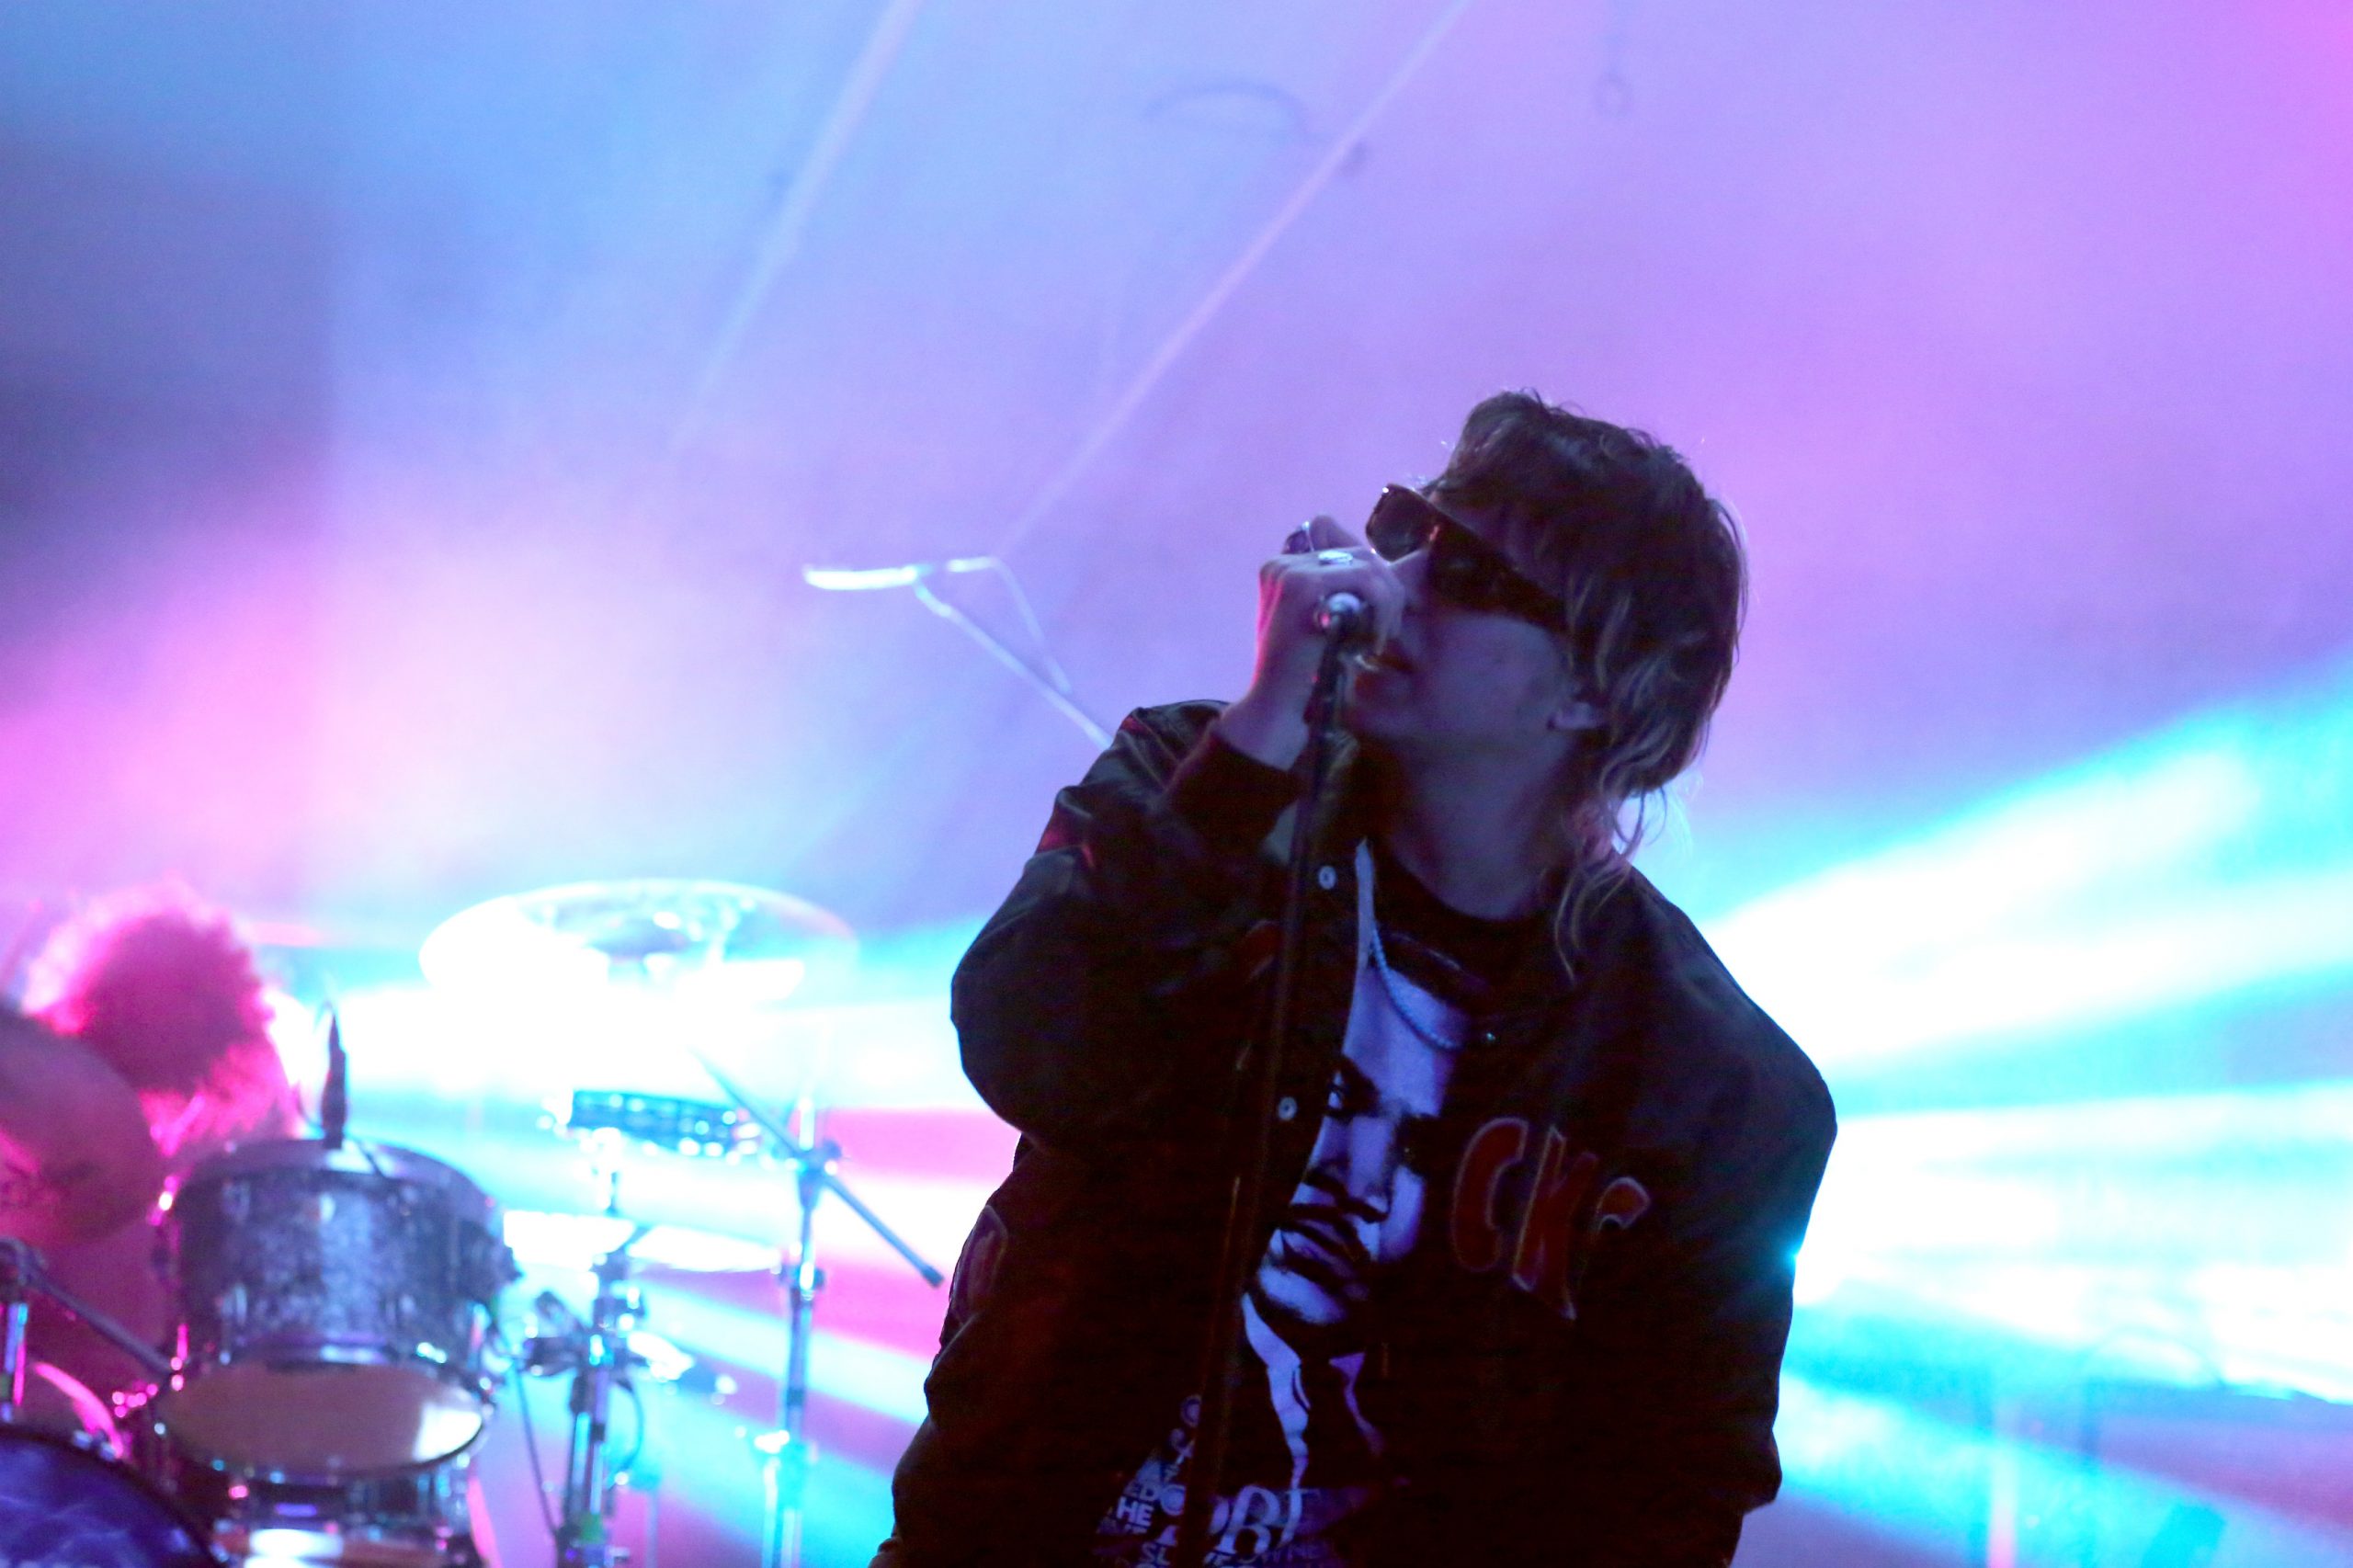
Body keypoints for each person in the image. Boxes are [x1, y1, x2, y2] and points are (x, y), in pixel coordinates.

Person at [878, 392, 1836, 1566]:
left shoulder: (1713, 1089)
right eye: (1403, 528)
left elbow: (1672, 1489)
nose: (1396, 580)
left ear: (1594, 688)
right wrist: (1263, 728)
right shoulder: (1194, 777)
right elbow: (1029, 1044)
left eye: (1471, 573)